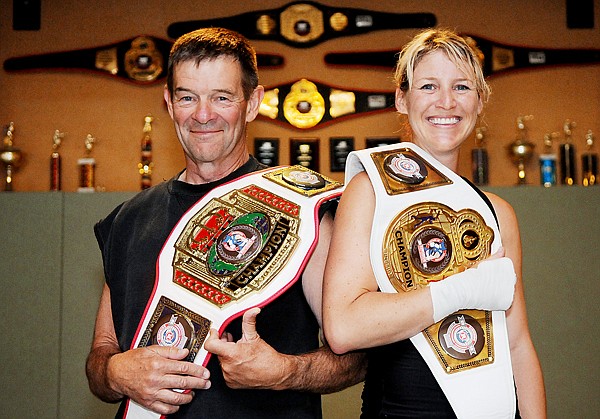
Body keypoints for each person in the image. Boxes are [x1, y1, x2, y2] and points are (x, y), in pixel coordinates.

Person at [86, 27, 365, 418]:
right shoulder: (128, 220)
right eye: (188, 97)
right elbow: (101, 353)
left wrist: (284, 372)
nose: (203, 115)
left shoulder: (304, 212)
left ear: (253, 103)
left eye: (221, 97)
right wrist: (116, 372)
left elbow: (357, 358)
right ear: (169, 103)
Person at [322, 29, 546, 418]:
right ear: (401, 99)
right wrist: (460, 291)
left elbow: (518, 346)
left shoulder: (497, 213)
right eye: (429, 86)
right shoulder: (370, 191)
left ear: (480, 102)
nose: (446, 101)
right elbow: (343, 328)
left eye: (461, 87)